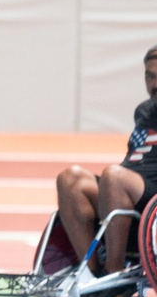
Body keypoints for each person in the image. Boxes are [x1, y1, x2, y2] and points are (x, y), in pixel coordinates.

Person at [56, 46, 157, 273]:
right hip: (124, 191)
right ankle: (90, 274)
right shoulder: (143, 110)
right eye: (150, 76)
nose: (154, 84)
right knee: (70, 178)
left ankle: (114, 269)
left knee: (114, 176)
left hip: (151, 198)